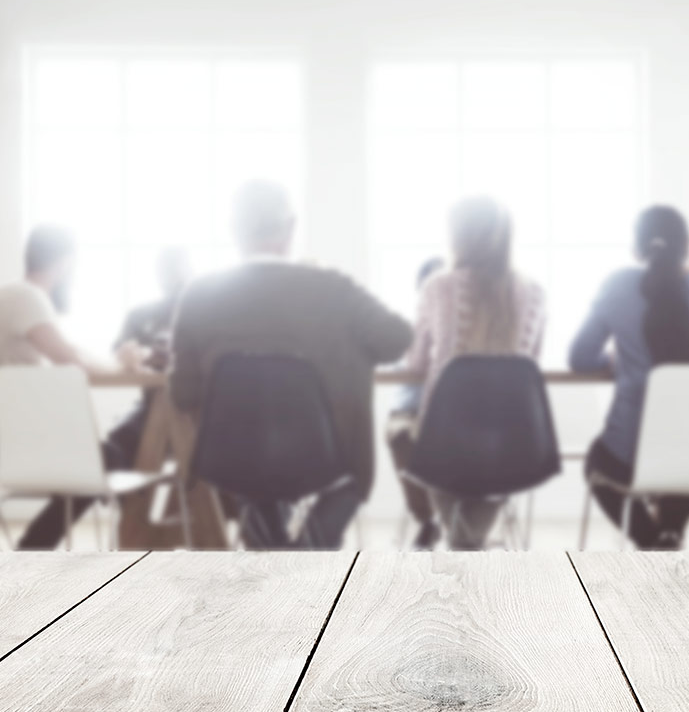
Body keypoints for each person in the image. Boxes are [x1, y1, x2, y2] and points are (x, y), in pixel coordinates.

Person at [170, 180, 412, 549]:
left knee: (254, 472)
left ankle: (276, 550)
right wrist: (345, 352)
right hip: (326, 457)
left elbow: (183, 393)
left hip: (231, 455)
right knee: (345, 476)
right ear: (290, 228)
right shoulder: (333, 288)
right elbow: (397, 339)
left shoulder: (199, 294)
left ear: (233, 230)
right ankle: (311, 546)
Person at [569, 205, 689, 549]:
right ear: (687, 246)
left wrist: (616, 358)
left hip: (632, 455)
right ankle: (670, 532)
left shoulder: (618, 285)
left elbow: (580, 357)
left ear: (635, 249)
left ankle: (650, 539)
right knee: (684, 444)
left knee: (597, 463)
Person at [406, 195, 546, 549]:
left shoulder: (438, 287)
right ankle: (465, 545)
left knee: (409, 439)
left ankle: (462, 547)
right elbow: (530, 368)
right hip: (513, 439)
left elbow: (416, 363)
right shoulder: (535, 293)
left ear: (457, 236)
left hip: (442, 436)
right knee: (481, 497)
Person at [1, 226, 149, 549]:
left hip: (14, 443)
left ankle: (34, 551)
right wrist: (122, 363)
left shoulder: (16, 297)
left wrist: (115, 361)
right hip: (26, 445)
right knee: (110, 458)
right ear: (66, 263)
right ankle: (33, 550)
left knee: (110, 455)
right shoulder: (26, 297)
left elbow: (73, 353)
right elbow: (70, 360)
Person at [385, 256, 444, 550]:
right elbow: (396, 363)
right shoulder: (407, 328)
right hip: (410, 410)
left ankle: (462, 518)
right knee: (400, 435)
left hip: (457, 413)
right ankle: (427, 521)